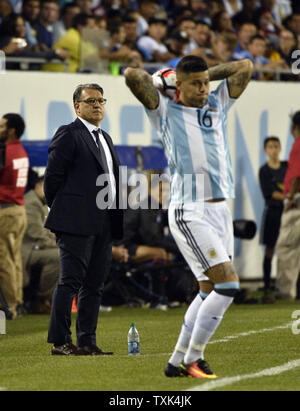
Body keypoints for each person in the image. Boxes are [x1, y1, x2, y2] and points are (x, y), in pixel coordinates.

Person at [124, 55, 253, 378]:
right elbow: (131, 76)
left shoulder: (216, 105)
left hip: (220, 211)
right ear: (178, 85)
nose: (204, 88)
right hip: (189, 210)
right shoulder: (166, 112)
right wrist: (159, 81)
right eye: (195, 83)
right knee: (229, 285)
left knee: (209, 289)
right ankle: (193, 357)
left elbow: (246, 66)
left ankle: (175, 360)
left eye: (206, 82)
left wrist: (207, 73)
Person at [44, 83, 123, 356]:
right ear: (77, 106)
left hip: (104, 220)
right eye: (90, 101)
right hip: (75, 221)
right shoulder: (69, 133)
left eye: (101, 100)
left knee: (94, 285)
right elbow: (52, 179)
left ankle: (87, 341)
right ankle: (60, 341)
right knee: (70, 282)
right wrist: (66, 211)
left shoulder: (105, 137)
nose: (97, 105)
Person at [0, 113, 29, 319]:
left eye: (1, 126)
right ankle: (17, 302)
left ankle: (9, 307)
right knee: (14, 258)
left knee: (4, 261)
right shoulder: (21, 151)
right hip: (19, 209)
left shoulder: (6, 152)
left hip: (6, 211)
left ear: (10, 130)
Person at [22, 174, 59, 314]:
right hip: (28, 250)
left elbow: (48, 232)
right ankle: (42, 300)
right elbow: (36, 235)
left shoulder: (41, 202)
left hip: (37, 248)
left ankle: (49, 301)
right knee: (59, 256)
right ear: (38, 186)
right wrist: (58, 245)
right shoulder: (31, 203)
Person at [259, 137, 287, 303]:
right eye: (270, 147)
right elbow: (269, 193)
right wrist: (288, 196)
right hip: (273, 213)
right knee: (270, 249)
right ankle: (267, 284)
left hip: (288, 211)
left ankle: (289, 284)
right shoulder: (264, 171)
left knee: (291, 250)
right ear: (265, 150)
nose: (274, 150)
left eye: (276, 146)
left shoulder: (286, 167)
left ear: (280, 148)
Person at [276, 111, 300, 300]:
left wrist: (291, 197)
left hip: (296, 203)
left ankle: (285, 293)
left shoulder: (298, 144)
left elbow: (297, 174)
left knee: (286, 247)